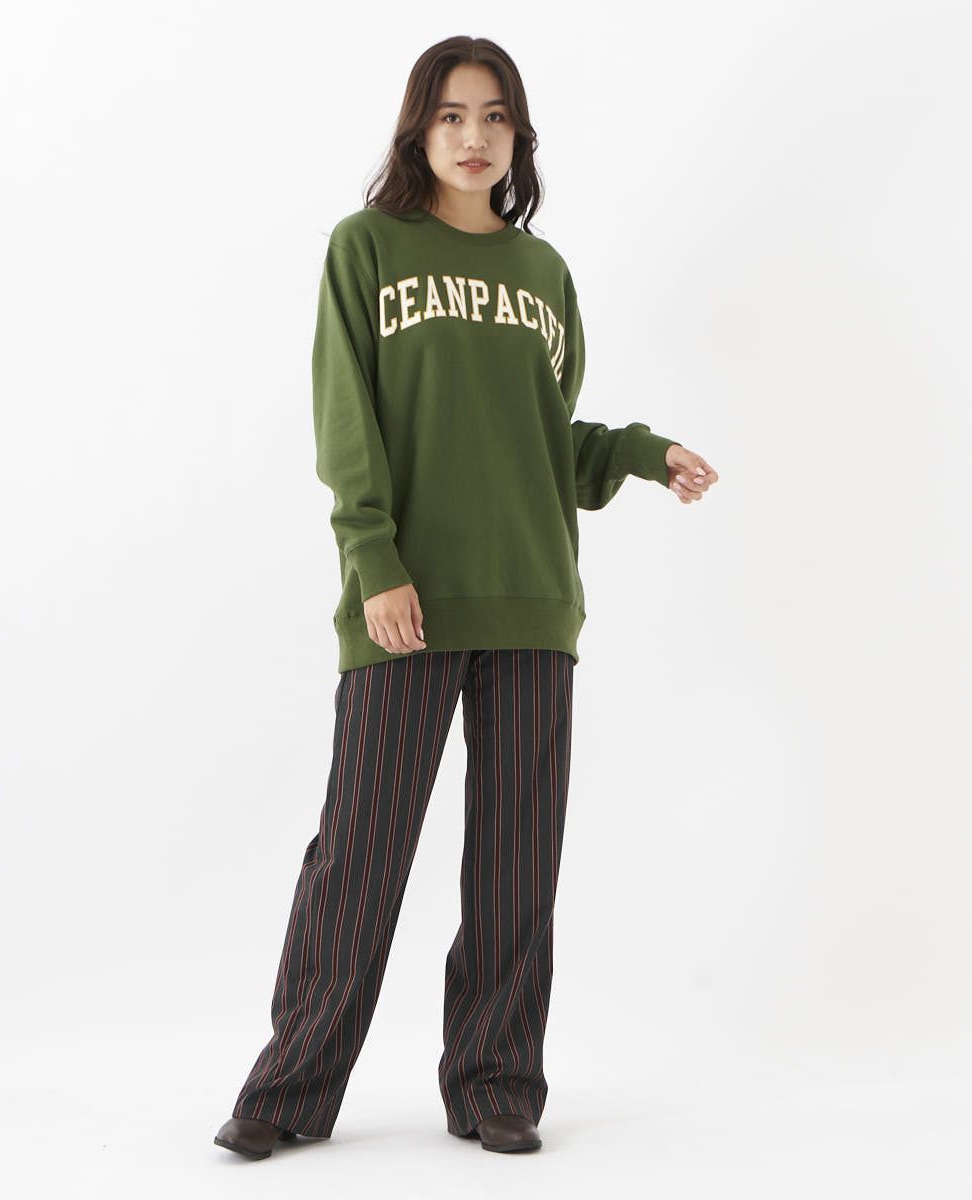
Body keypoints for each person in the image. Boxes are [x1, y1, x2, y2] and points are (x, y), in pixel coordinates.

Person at [214, 34, 718, 1161]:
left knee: (514, 868)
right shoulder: (367, 249)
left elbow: (543, 441)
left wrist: (643, 453)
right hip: (409, 600)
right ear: (419, 130)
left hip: (533, 602)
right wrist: (373, 558)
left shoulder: (544, 274)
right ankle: (290, 1088)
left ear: (518, 137)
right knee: (358, 857)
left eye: (494, 117)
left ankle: (495, 1083)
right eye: (451, 116)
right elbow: (346, 416)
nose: (474, 137)